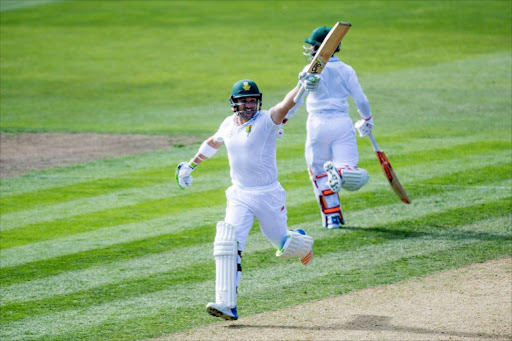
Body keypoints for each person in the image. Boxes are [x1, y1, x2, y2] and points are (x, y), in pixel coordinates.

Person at [175, 74, 320, 321]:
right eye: (245, 101)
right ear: (234, 103)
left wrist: (301, 87)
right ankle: (227, 304)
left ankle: (300, 240)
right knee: (228, 242)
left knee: (283, 244)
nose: (250, 105)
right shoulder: (228, 124)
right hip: (239, 195)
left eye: (253, 100)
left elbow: (286, 105)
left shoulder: (267, 121)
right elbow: (213, 142)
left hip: (268, 195)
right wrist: (190, 165)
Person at [284, 25, 374, 229]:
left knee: (319, 172)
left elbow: (297, 100)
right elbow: (361, 99)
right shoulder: (347, 70)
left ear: (321, 47)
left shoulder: (308, 71)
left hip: (317, 125)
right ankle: (341, 173)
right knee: (349, 168)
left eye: (313, 46)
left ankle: (332, 217)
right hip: (342, 123)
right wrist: (367, 119)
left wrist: (283, 121)